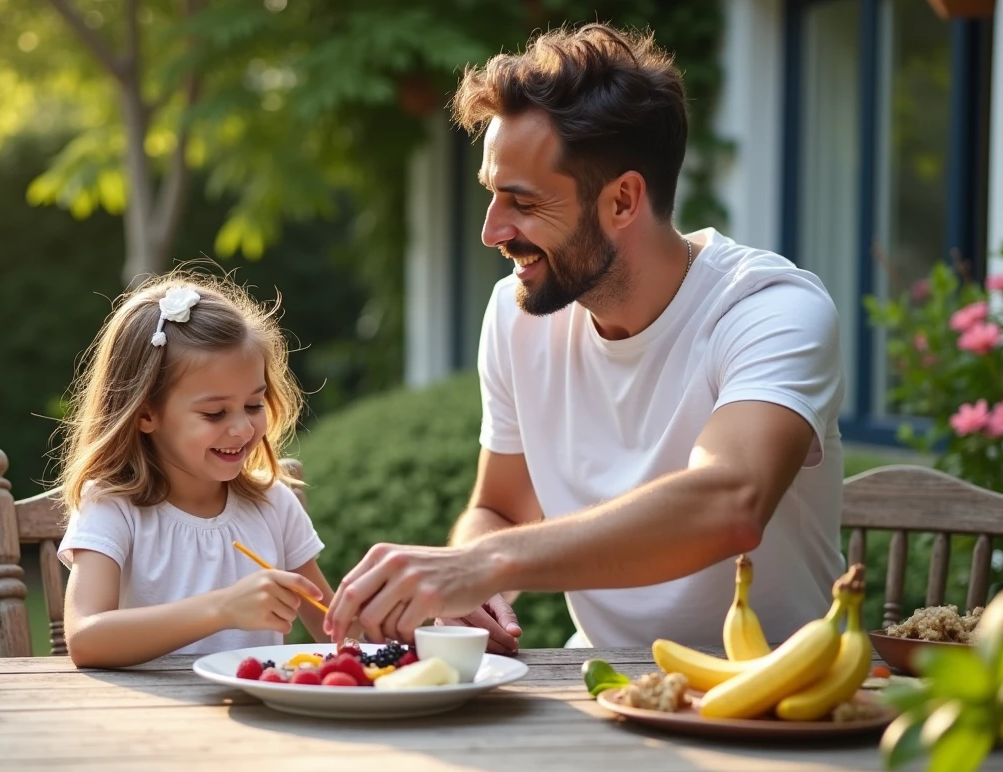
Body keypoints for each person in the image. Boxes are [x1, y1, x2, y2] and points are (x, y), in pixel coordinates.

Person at [324, 23, 847, 652]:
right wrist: (473, 577)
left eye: (520, 201)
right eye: (491, 195)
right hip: (599, 684)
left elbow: (730, 502)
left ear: (623, 200)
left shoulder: (770, 309)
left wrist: (487, 563)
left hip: (781, 694)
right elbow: (503, 510)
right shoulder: (517, 316)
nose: (491, 231)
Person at [55, 271, 336, 668]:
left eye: (254, 405)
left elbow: (338, 633)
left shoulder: (274, 503)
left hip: (262, 720)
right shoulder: (112, 507)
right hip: (148, 719)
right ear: (146, 413)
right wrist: (223, 609)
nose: (241, 428)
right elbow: (86, 639)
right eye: (215, 412)